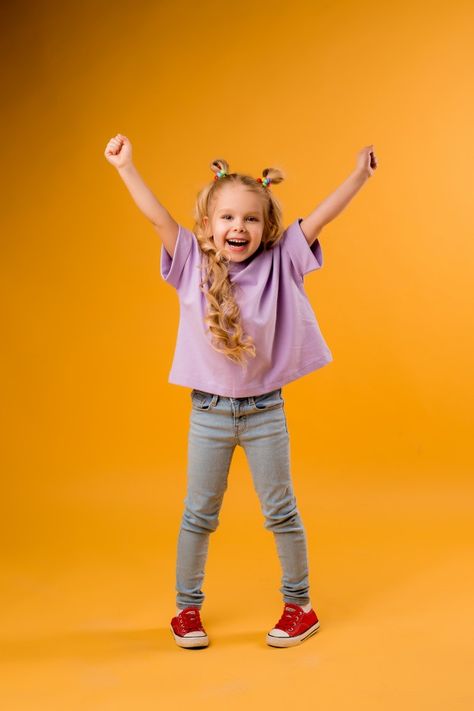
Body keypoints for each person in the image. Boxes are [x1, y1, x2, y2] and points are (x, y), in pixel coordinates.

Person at [104, 135, 378, 649]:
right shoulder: (189, 260)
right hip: (207, 413)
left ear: (267, 228)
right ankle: (186, 611)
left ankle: (299, 605)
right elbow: (158, 217)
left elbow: (320, 218)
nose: (239, 228)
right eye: (227, 218)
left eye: (251, 219)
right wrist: (127, 168)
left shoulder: (282, 263)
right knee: (198, 513)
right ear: (208, 226)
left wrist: (359, 176)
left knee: (281, 511)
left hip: (264, 412)